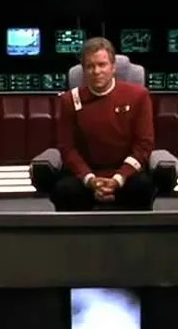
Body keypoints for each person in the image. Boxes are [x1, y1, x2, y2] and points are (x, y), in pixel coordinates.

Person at [51, 37, 157, 211]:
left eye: (102, 65)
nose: (96, 71)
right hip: (86, 176)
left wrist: (118, 178)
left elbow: (144, 145)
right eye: (90, 66)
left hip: (126, 175)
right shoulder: (70, 100)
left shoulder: (138, 96)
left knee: (143, 187)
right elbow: (67, 147)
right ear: (84, 70)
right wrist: (90, 179)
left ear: (113, 67)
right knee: (64, 190)